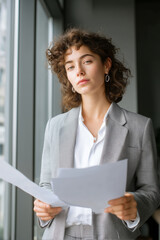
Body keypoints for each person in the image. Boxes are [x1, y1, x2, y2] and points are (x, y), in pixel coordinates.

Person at [33, 28, 160, 240]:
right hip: (59, 234)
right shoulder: (54, 126)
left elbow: (152, 191)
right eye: (70, 66)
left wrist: (134, 204)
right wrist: (43, 206)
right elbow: (46, 184)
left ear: (106, 65)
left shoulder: (140, 126)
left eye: (87, 61)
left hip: (111, 234)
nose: (79, 71)